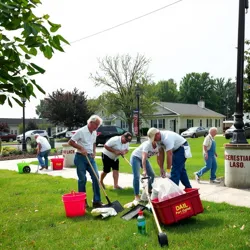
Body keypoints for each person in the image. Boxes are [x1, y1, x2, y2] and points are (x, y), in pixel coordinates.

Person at [68, 115, 105, 208]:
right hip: (80, 157)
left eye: (98, 125)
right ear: (90, 122)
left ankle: (97, 201)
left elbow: (93, 143)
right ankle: (82, 202)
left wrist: (94, 152)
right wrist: (81, 148)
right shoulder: (81, 131)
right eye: (96, 124)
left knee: (96, 177)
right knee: (82, 180)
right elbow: (71, 142)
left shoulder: (94, 132)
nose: (97, 126)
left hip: (90, 158)